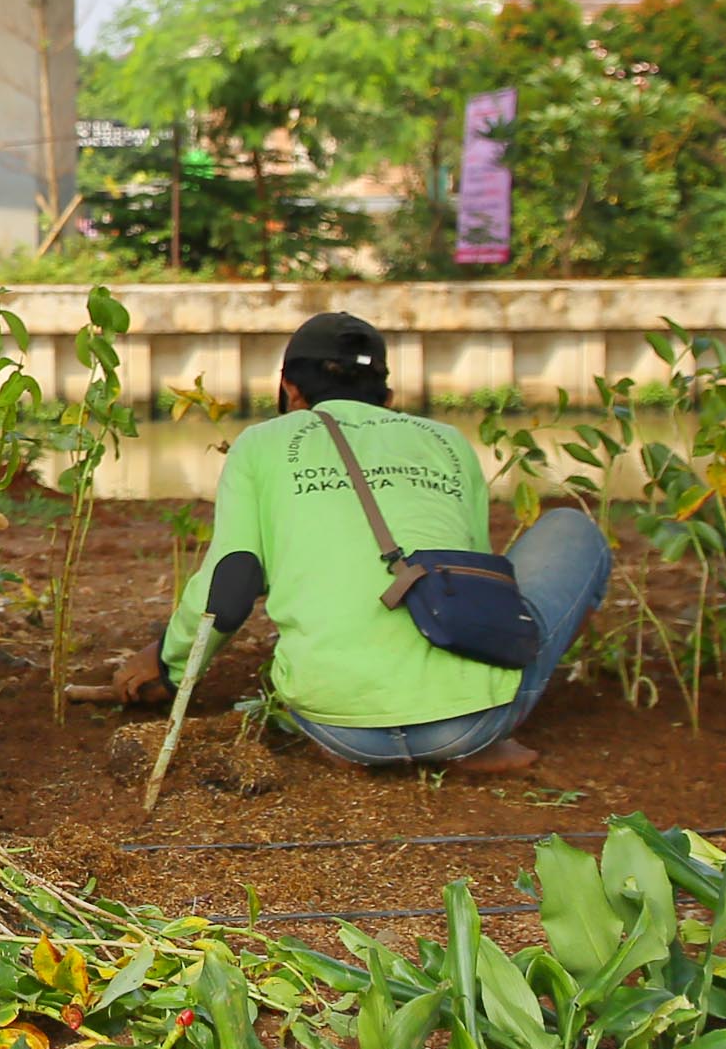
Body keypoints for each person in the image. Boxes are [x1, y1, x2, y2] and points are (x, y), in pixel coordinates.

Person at [99, 312, 609, 774]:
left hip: (333, 727)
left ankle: (367, 724)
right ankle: (476, 735)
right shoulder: (446, 441)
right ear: (387, 400)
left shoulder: (262, 443)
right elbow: (475, 589)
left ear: (290, 391)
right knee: (572, 529)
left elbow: (230, 585)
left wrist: (167, 663)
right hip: (470, 724)